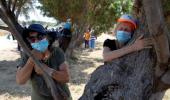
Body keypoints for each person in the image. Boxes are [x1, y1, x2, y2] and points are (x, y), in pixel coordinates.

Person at [16, 24, 72, 100]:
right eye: (32, 39)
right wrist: (31, 60)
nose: (36, 41)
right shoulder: (27, 55)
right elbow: (20, 80)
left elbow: (66, 78)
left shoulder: (57, 52)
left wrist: (46, 69)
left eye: (40, 37)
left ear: (48, 38)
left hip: (61, 96)